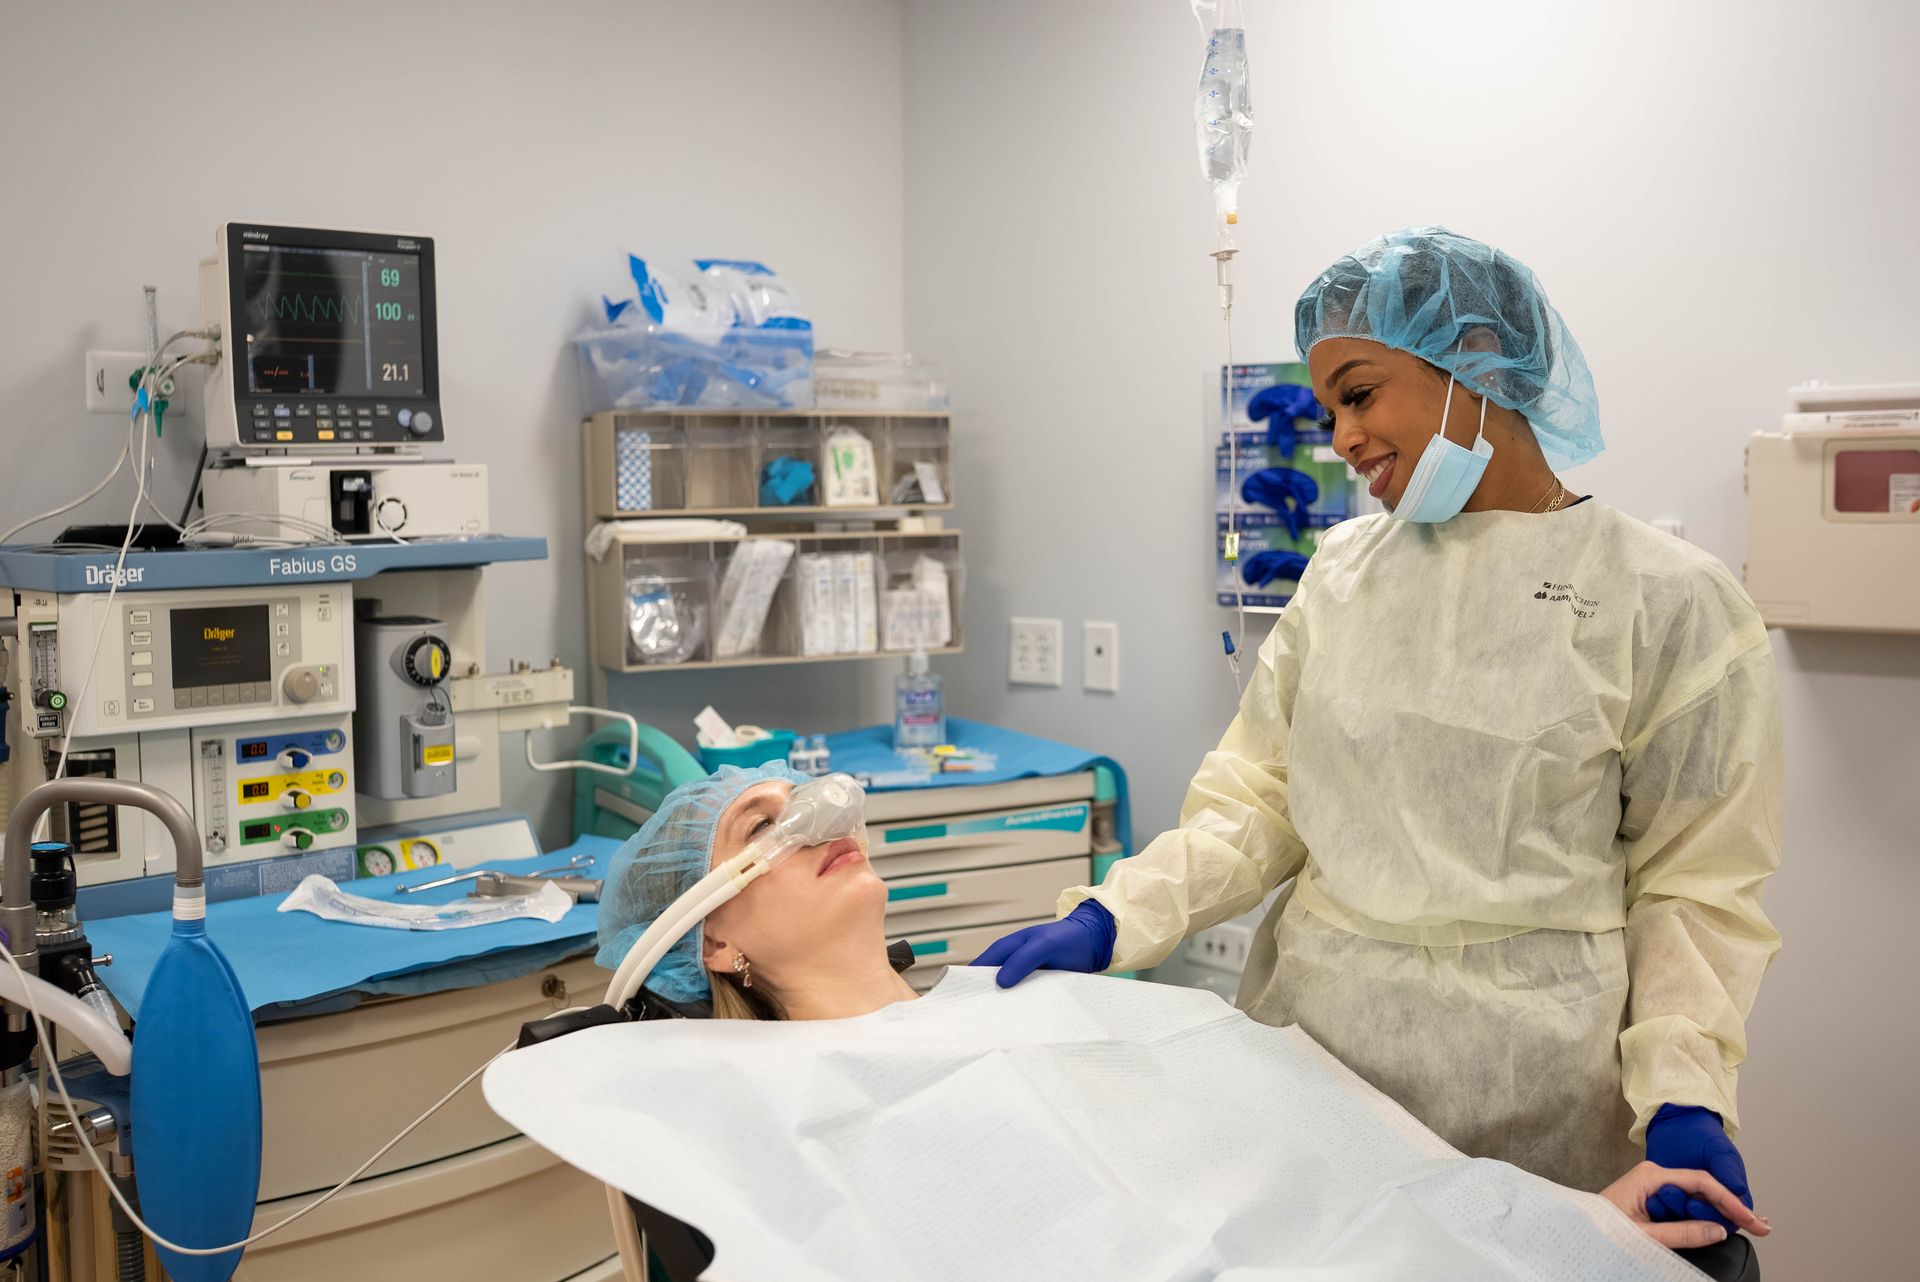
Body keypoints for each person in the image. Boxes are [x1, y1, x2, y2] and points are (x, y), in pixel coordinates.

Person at [977, 227, 1782, 1231]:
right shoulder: (1343, 573)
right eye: (1328, 412)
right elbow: (1260, 803)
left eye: (1359, 395)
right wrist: (1114, 917)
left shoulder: (1666, 599)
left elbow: (1695, 883)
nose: (1342, 439)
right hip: (1314, 1066)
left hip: (1542, 1102)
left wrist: (1685, 1090)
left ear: (1478, 357)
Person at [596, 762, 919, 1021]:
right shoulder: (775, 1095)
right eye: (762, 826)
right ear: (712, 943)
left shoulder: (968, 1003)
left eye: (803, 802)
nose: (825, 825)